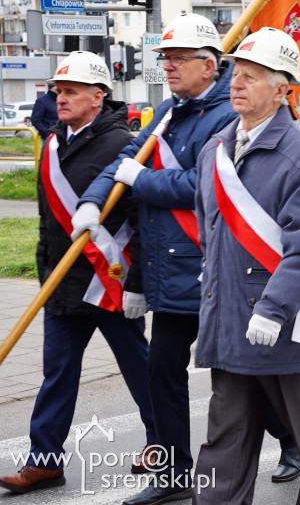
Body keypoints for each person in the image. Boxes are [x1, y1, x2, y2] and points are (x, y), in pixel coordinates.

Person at [74, 14, 300, 505]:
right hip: (169, 270)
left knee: (247, 372)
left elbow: (204, 184)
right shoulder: (168, 111)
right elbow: (127, 158)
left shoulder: (227, 114)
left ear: (209, 64)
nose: (168, 68)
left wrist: (141, 181)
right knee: (162, 369)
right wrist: (93, 201)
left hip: (216, 266)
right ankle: (174, 472)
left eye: (177, 59)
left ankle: (294, 442)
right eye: (164, 60)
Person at [190, 27, 300, 505]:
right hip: (231, 320)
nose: (236, 83)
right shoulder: (214, 150)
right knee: (224, 442)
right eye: (236, 73)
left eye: (252, 76)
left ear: (283, 89)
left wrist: (273, 308)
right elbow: (209, 230)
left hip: (282, 323)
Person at [0, 53, 155, 495]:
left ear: (97, 96)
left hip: (109, 283)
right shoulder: (51, 143)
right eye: (57, 91)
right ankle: (44, 462)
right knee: (57, 372)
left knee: (139, 369)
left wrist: (138, 283)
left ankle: (163, 444)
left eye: (70, 91)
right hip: (64, 284)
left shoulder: (123, 144)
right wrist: (44, 272)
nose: (60, 98)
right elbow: (50, 222)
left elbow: (140, 221)